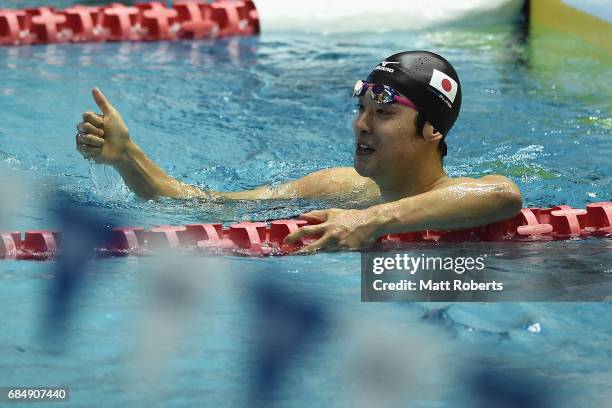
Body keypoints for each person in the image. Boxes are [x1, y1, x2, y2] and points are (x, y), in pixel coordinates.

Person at [75, 51, 522, 252]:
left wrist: (373, 219)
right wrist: (126, 156)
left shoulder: (459, 191)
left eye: (382, 113)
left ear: (432, 130)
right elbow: (195, 202)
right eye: (360, 108)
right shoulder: (338, 188)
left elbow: (505, 195)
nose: (361, 124)